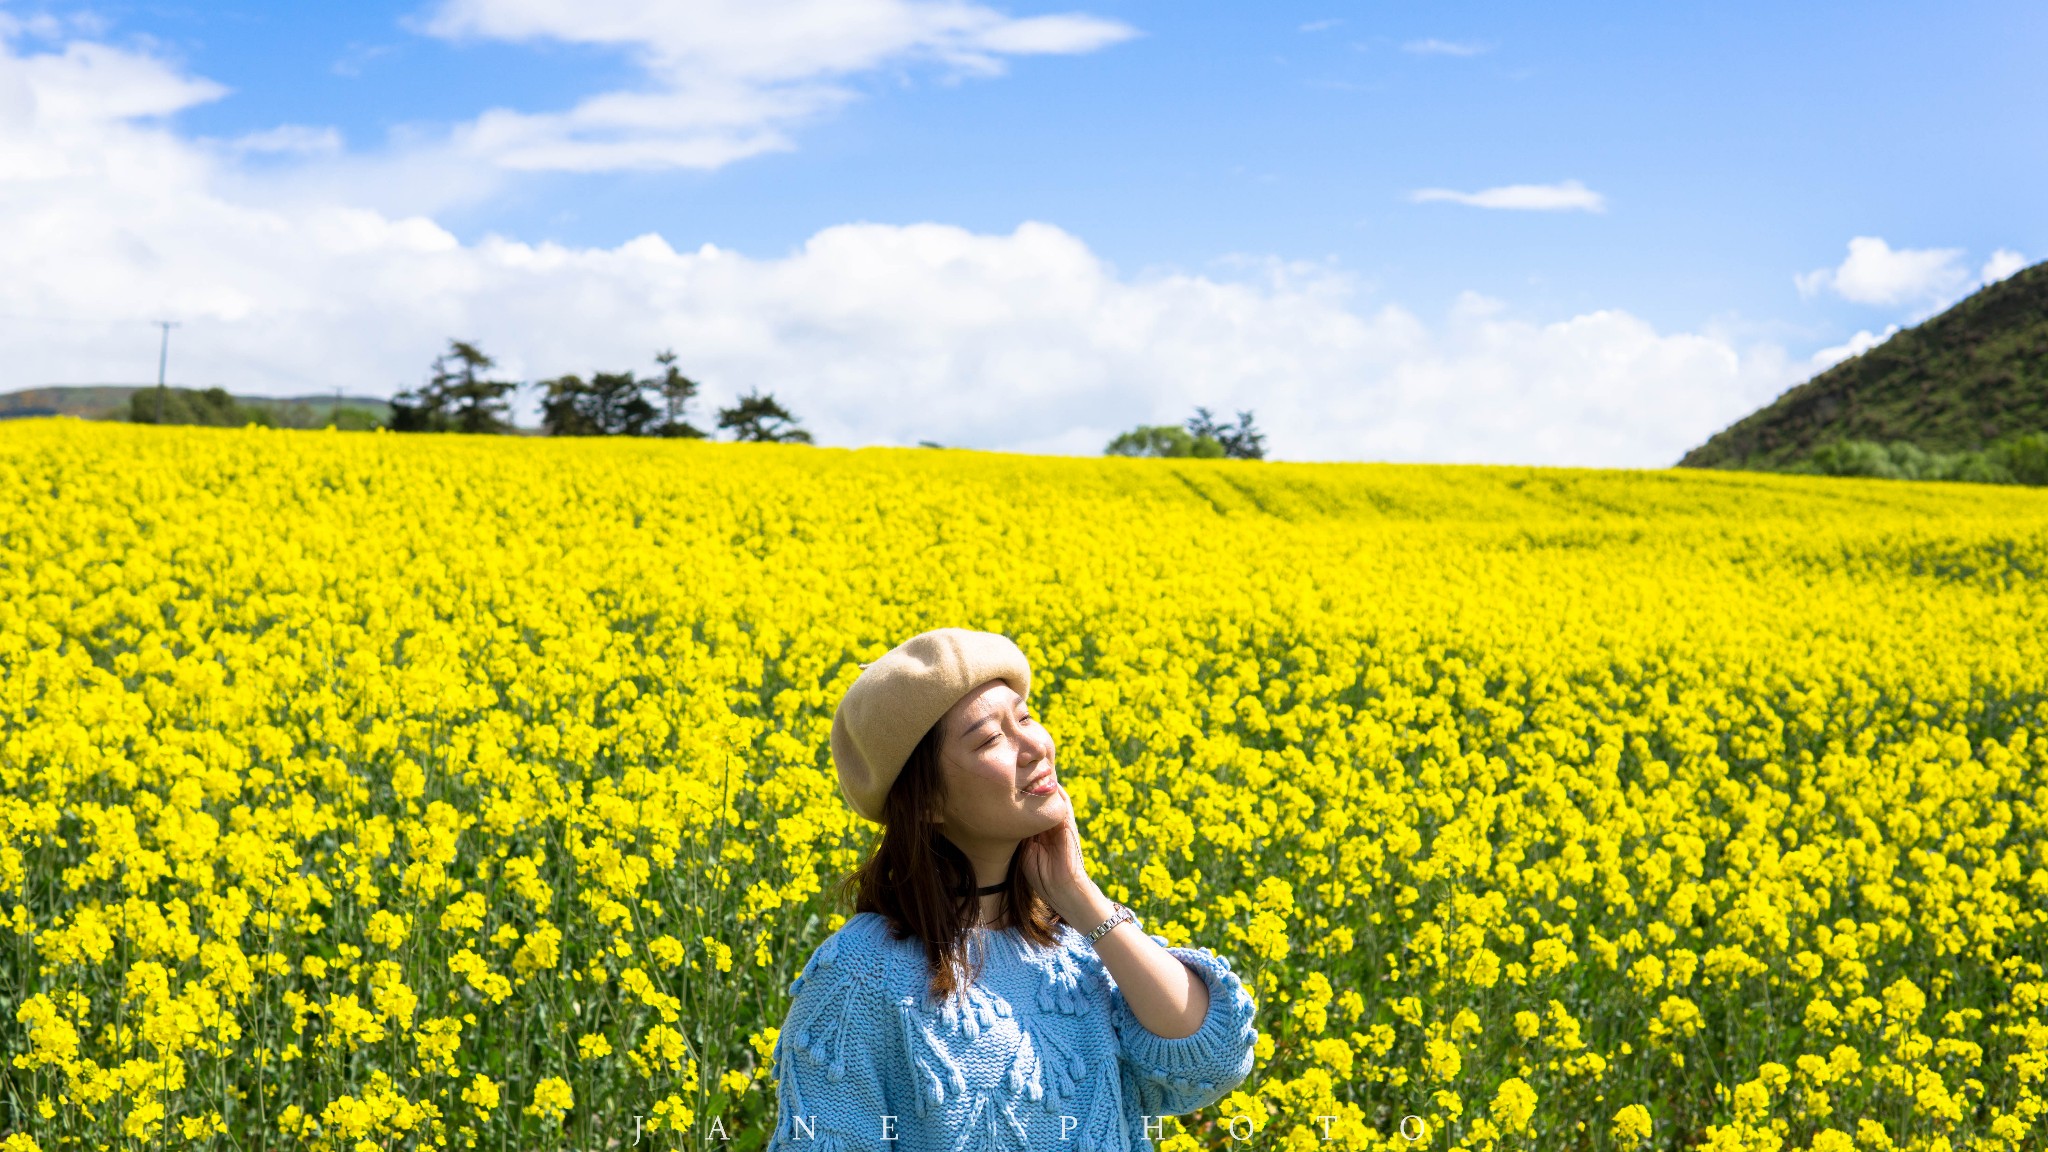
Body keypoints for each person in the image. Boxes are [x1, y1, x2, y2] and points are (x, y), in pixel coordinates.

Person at [765, 627, 1260, 1152]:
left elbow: (1214, 1061)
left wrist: (1080, 896)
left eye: (1024, 717)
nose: (1034, 746)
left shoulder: (1078, 943)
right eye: (990, 739)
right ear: (927, 801)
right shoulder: (858, 976)